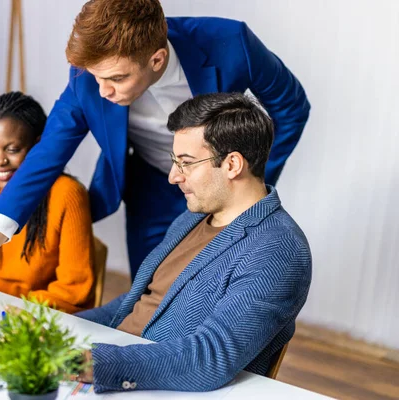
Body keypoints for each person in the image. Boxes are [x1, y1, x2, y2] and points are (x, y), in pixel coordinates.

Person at [0, 0, 310, 286]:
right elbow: (42, 160)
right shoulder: (87, 80)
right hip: (152, 187)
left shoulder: (231, 42)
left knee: (219, 289)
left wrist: (248, 185)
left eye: (116, 78)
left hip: (223, 184)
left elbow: (291, 107)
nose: (102, 90)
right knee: (151, 290)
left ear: (157, 59)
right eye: (95, 77)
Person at [73, 93, 312, 392]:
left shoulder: (278, 250)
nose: (173, 176)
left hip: (154, 386)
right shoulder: (192, 218)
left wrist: (87, 364)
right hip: (115, 362)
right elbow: (139, 302)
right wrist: (57, 329)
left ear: (232, 164)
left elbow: (210, 357)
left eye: (185, 163)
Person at [0, 92, 96, 314]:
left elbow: (73, 289)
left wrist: (14, 311)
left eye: (12, 149)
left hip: (43, 319)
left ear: (39, 148)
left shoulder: (68, 194)